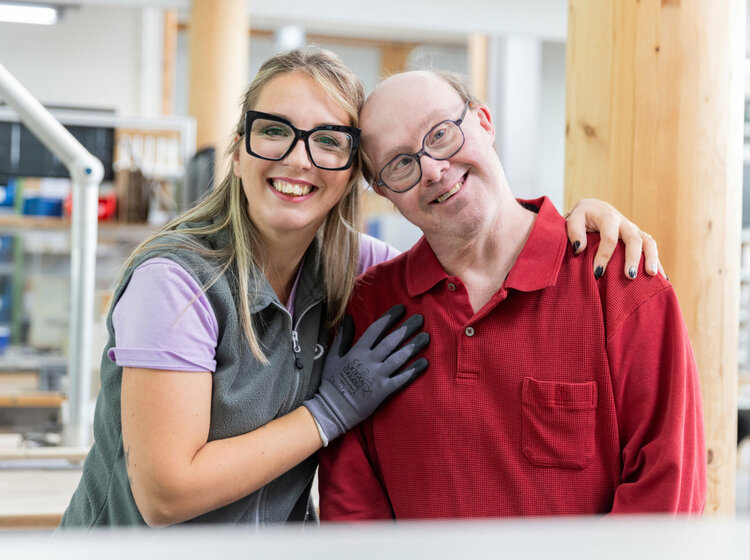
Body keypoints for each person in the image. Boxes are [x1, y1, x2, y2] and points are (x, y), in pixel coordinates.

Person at [59, 47, 662, 528]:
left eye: (328, 141)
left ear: (352, 177)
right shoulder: (177, 283)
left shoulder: (358, 271)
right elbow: (166, 495)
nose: (299, 160)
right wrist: (329, 413)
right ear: (240, 147)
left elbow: (467, 253)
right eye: (274, 132)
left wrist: (580, 219)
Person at [318, 70, 706, 519]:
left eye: (441, 133)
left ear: (484, 121)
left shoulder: (618, 280)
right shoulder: (367, 308)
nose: (433, 169)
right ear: (384, 192)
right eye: (400, 163)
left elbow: (667, 494)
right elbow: (352, 513)